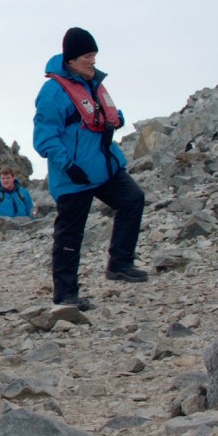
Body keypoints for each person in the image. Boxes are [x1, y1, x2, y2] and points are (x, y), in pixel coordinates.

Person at [33, 27, 147, 311]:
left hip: (104, 167)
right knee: (70, 234)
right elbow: (44, 136)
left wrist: (117, 118)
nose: (93, 61)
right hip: (74, 174)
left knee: (133, 199)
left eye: (94, 55)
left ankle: (120, 263)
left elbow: (102, 116)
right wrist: (68, 166)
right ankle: (65, 294)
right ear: (71, 59)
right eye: (87, 55)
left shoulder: (92, 82)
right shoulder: (53, 92)